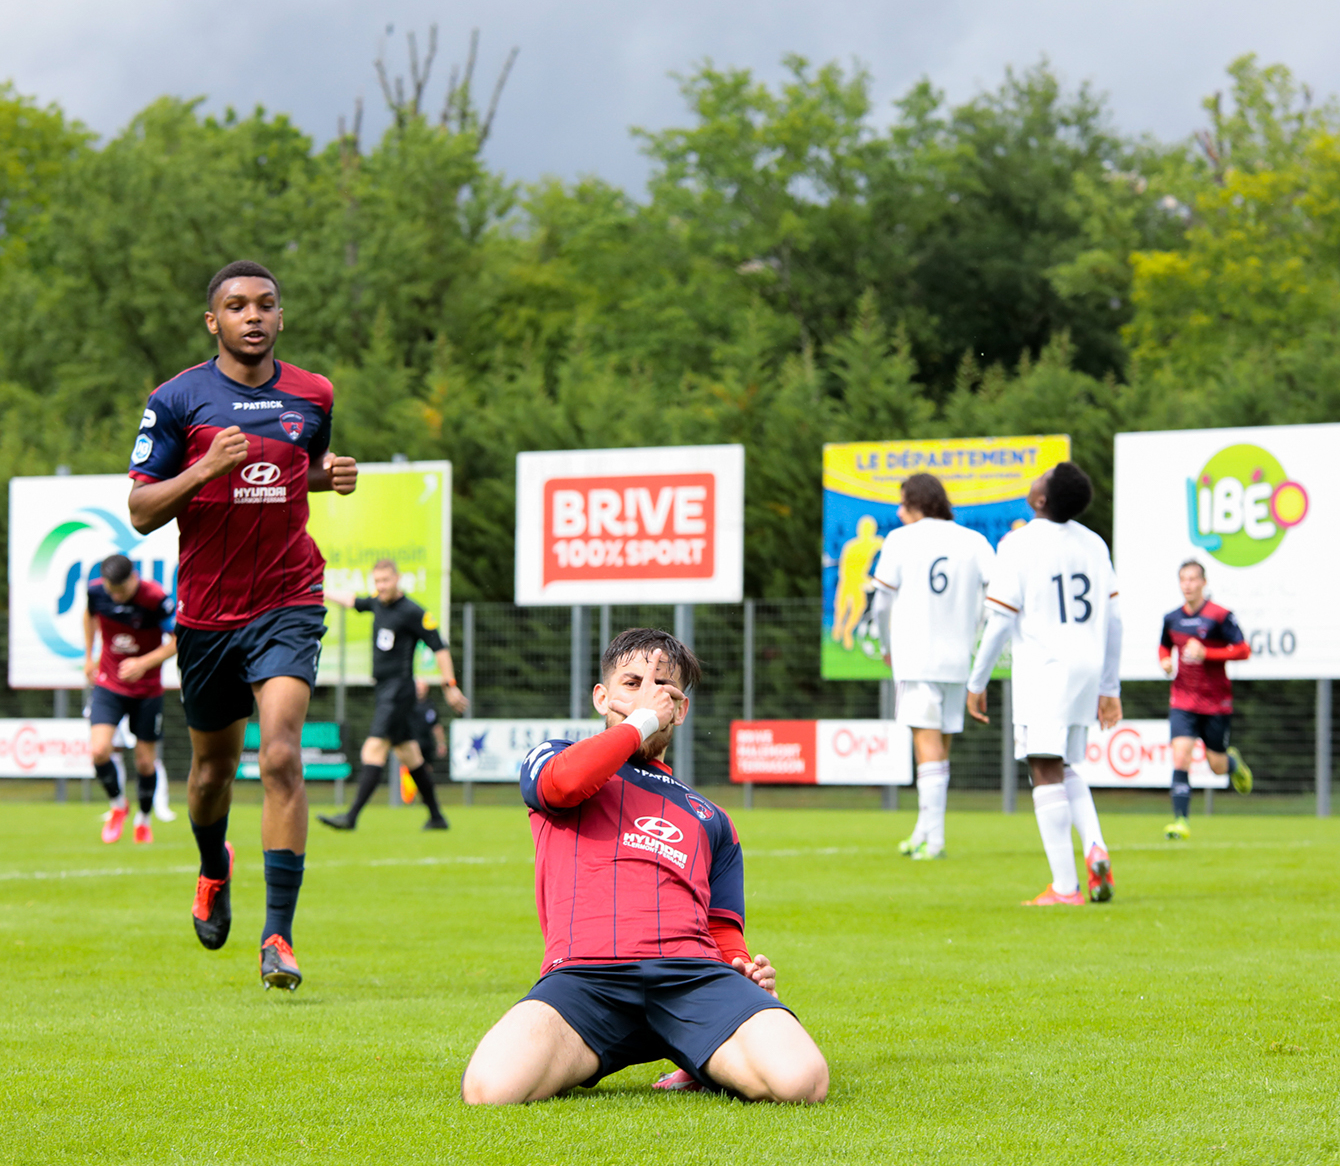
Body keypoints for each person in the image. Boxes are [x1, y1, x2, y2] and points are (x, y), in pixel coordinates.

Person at [461, 629, 828, 1105]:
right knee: (491, 1088)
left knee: (801, 1081)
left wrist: (742, 970)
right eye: (633, 683)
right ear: (602, 697)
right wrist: (640, 721)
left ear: (680, 709)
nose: (648, 697)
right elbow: (564, 784)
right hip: (586, 981)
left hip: (692, 979)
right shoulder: (555, 757)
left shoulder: (711, 818)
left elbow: (722, 928)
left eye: (663, 689)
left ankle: (698, 1057)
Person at [128, 259, 357, 991]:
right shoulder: (177, 400)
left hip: (288, 598)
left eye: (265, 304)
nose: (252, 315)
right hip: (206, 614)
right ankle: (212, 866)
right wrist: (202, 470)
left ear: (280, 317)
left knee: (282, 755)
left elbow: (296, 468)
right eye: (236, 306)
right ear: (213, 321)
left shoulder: (314, 393)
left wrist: (328, 475)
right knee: (209, 775)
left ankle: (278, 936)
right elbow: (140, 511)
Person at [966, 463, 1121, 906]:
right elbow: (1116, 620)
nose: (1038, 476)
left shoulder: (1018, 543)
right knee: (1064, 763)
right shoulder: (1094, 543)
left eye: (1044, 476)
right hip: (1087, 665)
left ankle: (1065, 887)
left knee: (1043, 767)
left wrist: (977, 680)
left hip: (1045, 667)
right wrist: (1110, 687)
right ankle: (1095, 844)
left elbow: (1000, 621)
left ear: (1040, 499)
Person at [870, 473, 995, 860]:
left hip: (916, 657)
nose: (898, 510)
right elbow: (997, 594)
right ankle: (923, 831)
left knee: (927, 745)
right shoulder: (974, 540)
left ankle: (935, 841)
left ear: (917, 502)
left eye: (902, 502)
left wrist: (886, 644)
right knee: (939, 747)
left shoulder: (900, 539)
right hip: (958, 659)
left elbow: (881, 602)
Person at [318, 560, 467, 832]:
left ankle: (350, 817)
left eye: (385, 580)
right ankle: (437, 817)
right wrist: (322, 591)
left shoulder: (413, 611)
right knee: (410, 754)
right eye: (377, 581)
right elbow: (352, 600)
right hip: (384, 689)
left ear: (397, 579)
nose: (381, 586)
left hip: (399, 690)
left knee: (373, 749)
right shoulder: (377, 603)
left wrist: (450, 685)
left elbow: (439, 647)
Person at [82, 554, 177, 844]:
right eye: (111, 591)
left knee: (145, 763)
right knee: (99, 751)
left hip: (147, 690)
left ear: (134, 578)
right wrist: (89, 656)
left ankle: (144, 820)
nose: (115, 597)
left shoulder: (156, 599)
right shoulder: (97, 592)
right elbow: (89, 616)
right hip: (109, 684)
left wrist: (142, 663)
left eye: (120, 591)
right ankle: (118, 806)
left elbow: (178, 641)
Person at [1158, 559, 1254, 840]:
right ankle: (1181, 822)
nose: (1187, 585)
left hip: (1215, 702)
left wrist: (1207, 654)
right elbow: (1164, 646)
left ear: (1203, 582)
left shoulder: (1220, 616)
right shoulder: (1172, 618)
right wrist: (1165, 661)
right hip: (1183, 700)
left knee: (1217, 766)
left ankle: (1232, 764)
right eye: (1183, 579)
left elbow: (1243, 650)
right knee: (1180, 757)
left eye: (1192, 579)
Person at [831, 515, 884, 651]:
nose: (867, 532)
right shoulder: (851, 546)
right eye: (865, 529)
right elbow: (844, 569)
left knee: (858, 608)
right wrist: (862, 580)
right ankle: (838, 628)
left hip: (860, 582)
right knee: (842, 609)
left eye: (870, 529)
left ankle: (847, 632)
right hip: (848, 581)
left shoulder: (873, 543)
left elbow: (884, 545)